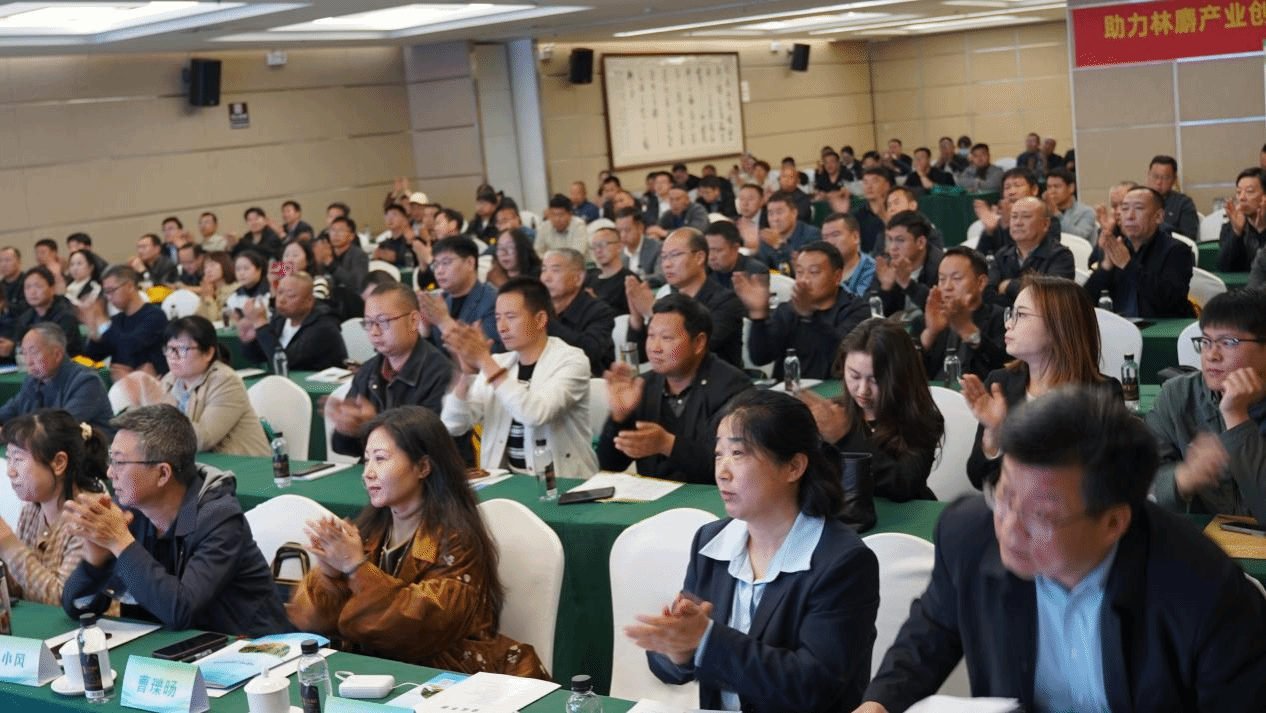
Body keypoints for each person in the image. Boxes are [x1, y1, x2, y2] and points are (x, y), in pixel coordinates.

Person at [857, 386, 1266, 713]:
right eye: (1004, 494)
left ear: (1113, 523)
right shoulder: (969, 535)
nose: (1009, 527)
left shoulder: (1206, 591)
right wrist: (879, 703)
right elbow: (931, 633)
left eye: (1042, 515)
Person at [631, 389, 879, 712]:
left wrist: (706, 640)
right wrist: (678, 650)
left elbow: (813, 686)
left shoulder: (843, 562)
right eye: (718, 454)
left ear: (793, 467)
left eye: (738, 453)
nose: (722, 472)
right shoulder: (710, 542)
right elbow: (674, 662)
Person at [287, 406, 549, 677]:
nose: (368, 473)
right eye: (366, 460)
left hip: (446, 676)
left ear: (423, 467)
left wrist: (356, 568)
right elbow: (311, 622)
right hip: (374, 674)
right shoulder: (368, 533)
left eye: (380, 459)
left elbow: (418, 628)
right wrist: (329, 575)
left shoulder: (457, 541)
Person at [62, 404, 292, 636]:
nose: (110, 473)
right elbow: (78, 608)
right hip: (168, 650)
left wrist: (120, 542)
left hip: (252, 648)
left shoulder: (219, 518)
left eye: (120, 463)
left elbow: (181, 610)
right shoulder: (131, 512)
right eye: (111, 460)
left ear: (163, 473)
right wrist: (94, 564)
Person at [963, 275, 1122, 490]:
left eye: (1021, 315)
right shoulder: (999, 383)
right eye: (1011, 314)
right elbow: (978, 479)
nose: (1008, 324)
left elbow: (1106, 479)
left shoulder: (1102, 393)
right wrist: (994, 434)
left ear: (1059, 327)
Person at [440, 277, 598, 478]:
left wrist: (484, 360)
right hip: (506, 481)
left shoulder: (572, 361)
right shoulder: (499, 362)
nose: (502, 327)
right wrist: (466, 373)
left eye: (511, 317)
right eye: (498, 318)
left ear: (540, 319)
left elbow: (535, 414)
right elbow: (453, 425)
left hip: (564, 483)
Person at [598, 293, 752, 484]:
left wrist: (668, 445)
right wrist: (619, 418)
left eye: (666, 337)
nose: (655, 347)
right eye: (651, 336)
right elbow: (610, 466)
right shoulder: (643, 386)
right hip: (653, 497)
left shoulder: (733, 388)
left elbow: (735, 464)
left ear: (699, 343)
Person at [1148, 288, 1266, 521]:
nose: (1212, 355)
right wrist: (1183, 478)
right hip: (1204, 540)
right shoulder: (1178, 396)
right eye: (1205, 341)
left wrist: (1236, 417)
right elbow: (1138, 482)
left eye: (1229, 342)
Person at [802, 318, 941, 502]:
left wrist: (846, 438)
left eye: (875, 380)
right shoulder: (835, 412)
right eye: (854, 376)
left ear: (900, 376)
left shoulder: (923, 418)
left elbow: (904, 484)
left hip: (904, 514)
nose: (863, 390)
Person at [326, 282, 460, 461]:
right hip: (377, 471)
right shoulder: (367, 372)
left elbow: (432, 448)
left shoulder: (441, 373)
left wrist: (374, 424)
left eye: (383, 322)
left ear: (413, 321)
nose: (374, 332)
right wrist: (346, 429)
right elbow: (345, 449)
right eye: (368, 323)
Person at [115, 316, 271, 456]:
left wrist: (158, 404)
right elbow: (152, 435)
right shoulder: (171, 379)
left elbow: (202, 440)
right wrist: (138, 405)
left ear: (208, 353)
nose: (172, 357)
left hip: (243, 465)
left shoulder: (226, 382)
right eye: (169, 349)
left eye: (182, 350)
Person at [0, 409, 109, 606]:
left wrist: (9, 547)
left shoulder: (89, 516)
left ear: (59, 463)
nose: (10, 471)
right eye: (9, 458)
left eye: (19, 459)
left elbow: (66, 600)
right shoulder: (32, 511)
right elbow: (22, 587)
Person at [736, 241, 869, 381]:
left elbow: (841, 357)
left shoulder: (857, 310)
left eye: (813, 272)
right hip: (788, 390)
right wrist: (758, 315)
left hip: (835, 390)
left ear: (837, 277)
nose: (804, 280)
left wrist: (809, 316)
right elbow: (761, 357)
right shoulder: (787, 310)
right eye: (799, 272)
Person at [626, 228, 745, 368]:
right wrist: (637, 319)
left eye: (674, 255)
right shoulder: (669, 300)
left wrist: (650, 314)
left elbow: (695, 352)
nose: (667, 264)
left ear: (699, 257)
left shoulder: (726, 302)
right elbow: (640, 357)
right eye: (663, 257)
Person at [1084, 186, 1194, 319]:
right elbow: (1085, 301)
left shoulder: (1177, 251)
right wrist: (1106, 267)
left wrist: (1128, 265)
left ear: (1159, 216)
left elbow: (1169, 301)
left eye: (1139, 208)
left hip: (1160, 327)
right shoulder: (1117, 247)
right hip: (1120, 325)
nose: (1130, 216)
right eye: (1125, 209)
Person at [912, 246, 1007, 382]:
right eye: (942, 279)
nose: (947, 287)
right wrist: (930, 333)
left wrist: (966, 329)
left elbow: (1004, 366)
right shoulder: (927, 319)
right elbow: (909, 372)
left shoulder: (1000, 317)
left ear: (981, 282)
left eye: (956, 279)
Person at [0, 325, 113, 431]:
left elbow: (61, 427)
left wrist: (9, 433)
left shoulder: (86, 382)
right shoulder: (31, 382)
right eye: (24, 353)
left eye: (34, 352)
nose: (28, 361)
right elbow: (9, 411)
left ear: (57, 354)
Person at [240, 273, 348, 372]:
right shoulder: (280, 319)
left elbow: (287, 363)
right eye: (279, 293)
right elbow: (259, 356)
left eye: (290, 296)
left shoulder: (323, 325)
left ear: (309, 301)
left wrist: (261, 323)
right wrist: (250, 341)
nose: (281, 300)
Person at [80, 266, 169, 380]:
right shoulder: (116, 320)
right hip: (121, 384)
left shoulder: (155, 315)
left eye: (112, 291)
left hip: (150, 384)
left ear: (130, 286)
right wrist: (92, 328)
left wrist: (102, 321)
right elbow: (94, 356)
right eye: (106, 292)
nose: (108, 297)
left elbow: (130, 346)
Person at [986, 197, 1076, 308]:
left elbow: (1049, 295)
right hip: (1004, 317)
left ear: (1045, 224)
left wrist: (1008, 286)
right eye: (1014, 217)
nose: (1018, 223)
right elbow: (988, 294)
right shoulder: (1002, 255)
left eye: (1026, 216)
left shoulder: (1061, 256)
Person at [418, 235, 502, 354]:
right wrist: (425, 330)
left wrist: (444, 321)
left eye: (446, 263)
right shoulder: (441, 300)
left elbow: (493, 353)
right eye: (435, 265)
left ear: (470, 263)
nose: (439, 271)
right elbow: (434, 356)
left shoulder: (494, 300)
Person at [541, 248, 616, 377]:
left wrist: (546, 322)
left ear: (578, 278)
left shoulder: (599, 311)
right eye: (544, 270)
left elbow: (589, 352)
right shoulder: (540, 308)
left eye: (555, 270)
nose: (546, 278)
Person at [870, 210, 943, 317]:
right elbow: (876, 317)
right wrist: (886, 289)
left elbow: (942, 311)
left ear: (921, 242)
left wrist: (908, 284)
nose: (893, 247)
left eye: (900, 240)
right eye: (890, 240)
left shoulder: (942, 267)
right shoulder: (886, 267)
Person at [13, 266, 84, 356]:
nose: (32, 292)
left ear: (52, 288)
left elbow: (63, 350)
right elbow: (19, 347)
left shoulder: (66, 315)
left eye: (38, 286)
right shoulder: (25, 318)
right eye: (27, 287)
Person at [1217, 167, 1266, 272]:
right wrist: (1237, 232)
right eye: (1239, 192)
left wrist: (1262, 231)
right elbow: (1224, 268)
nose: (1242, 198)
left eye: (1249, 191)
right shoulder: (1229, 227)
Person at [820, 212, 876, 296]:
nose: (830, 242)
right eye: (825, 238)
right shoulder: (820, 269)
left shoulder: (872, 270)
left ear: (855, 237)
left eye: (835, 235)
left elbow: (859, 301)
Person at [584, 226, 636, 315]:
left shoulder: (629, 281)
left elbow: (632, 317)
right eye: (594, 246)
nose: (598, 250)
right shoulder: (588, 277)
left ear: (620, 246)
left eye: (603, 244)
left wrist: (596, 303)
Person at [1147, 154, 1199, 240]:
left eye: (1165, 178)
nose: (1159, 182)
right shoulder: (1138, 200)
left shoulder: (1184, 203)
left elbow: (1188, 237)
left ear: (1174, 179)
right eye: (1155, 176)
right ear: (1148, 175)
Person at [704, 221, 767, 290]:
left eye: (718, 250)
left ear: (735, 248)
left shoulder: (756, 271)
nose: (711, 257)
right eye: (708, 250)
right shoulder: (704, 271)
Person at [1043, 167, 1097, 242]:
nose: (1052, 191)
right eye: (1049, 187)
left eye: (1056, 187)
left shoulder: (1086, 212)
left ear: (1071, 188)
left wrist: (1056, 213)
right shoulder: (1044, 212)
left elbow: (1080, 237)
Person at [615, 207, 664, 286]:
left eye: (627, 230)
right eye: (619, 231)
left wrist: (633, 281)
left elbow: (661, 277)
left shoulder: (657, 248)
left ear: (640, 228)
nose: (623, 235)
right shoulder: (618, 253)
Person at [325, 215, 370, 295]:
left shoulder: (360, 255)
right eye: (333, 230)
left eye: (340, 231)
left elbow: (357, 283)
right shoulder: (326, 253)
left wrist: (331, 264)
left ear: (351, 236)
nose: (335, 234)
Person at [224, 250, 272, 325]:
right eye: (238, 269)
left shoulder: (271, 293)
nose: (241, 273)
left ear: (259, 270)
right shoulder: (233, 297)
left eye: (246, 268)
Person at [537, 194, 589, 259]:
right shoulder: (544, 226)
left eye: (561, 215)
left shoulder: (579, 225)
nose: (557, 219)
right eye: (553, 215)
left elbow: (577, 255)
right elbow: (538, 252)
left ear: (570, 214)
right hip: (551, 263)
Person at [190, 251, 235, 323]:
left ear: (224, 265)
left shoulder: (234, 290)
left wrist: (209, 298)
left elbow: (217, 322)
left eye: (212, 265)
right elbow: (198, 318)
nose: (207, 270)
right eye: (205, 267)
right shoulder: (210, 290)